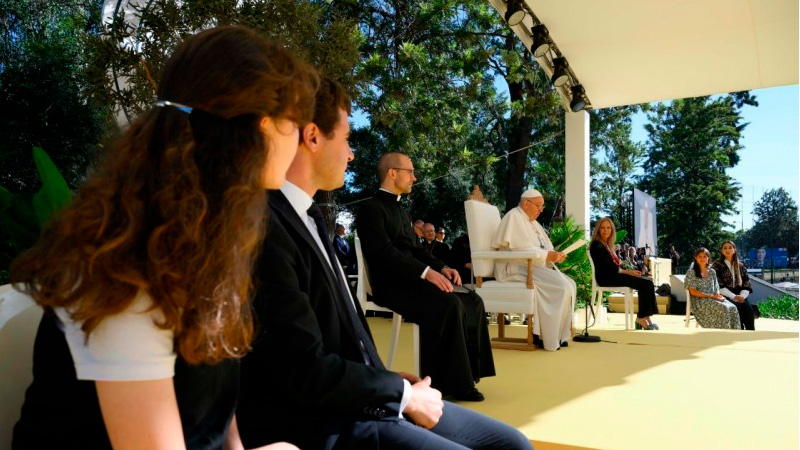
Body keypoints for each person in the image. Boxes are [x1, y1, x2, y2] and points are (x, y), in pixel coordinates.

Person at [9, 25, 315, 449]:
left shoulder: (206, 246)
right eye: (297, 122)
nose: (302, 139)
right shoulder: (125, 271)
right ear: (263, 128)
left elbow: (216, 408)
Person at [237, 84, 532, 450]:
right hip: (334, 412)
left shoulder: (309, 215)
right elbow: (301, 367)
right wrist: (398, 393)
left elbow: (339, 329)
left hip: (368, 390)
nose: (351, 153)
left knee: (515, 443)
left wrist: (386, 377)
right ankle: (450, 379)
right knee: (447, 304)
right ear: (312, 137)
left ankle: (464, 377)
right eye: (346, 139)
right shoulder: (269, 225)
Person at [357, 153, 495, 402]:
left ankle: (467, 376)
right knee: (448, 303)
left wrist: (441, 267)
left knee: (472, 300)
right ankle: (445, 383)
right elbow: (384, 254)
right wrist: (426, 273)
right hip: (390, 284)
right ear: (392, 173)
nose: (414, 177)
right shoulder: (370, 209)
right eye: (409, 172)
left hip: (412, 279)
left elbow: (417, 250)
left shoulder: (402, 210)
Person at [491, 188, 575, 351]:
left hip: (529, 266)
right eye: (539, 206)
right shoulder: (514, 217)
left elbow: (542, 248)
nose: (541, 210)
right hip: (514, 267)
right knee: (561, 287)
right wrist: (547, 255)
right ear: (526, 203)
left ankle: (558, 335)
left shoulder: (533, 223)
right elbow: (519, 250)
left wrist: (554, 256)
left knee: (569, 283)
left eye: (542, 206)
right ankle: (546, 337)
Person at [589, 218, 659, 330]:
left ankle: (646, 316)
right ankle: (641, 318)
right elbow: (609, 267)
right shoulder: (597, 246)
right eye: (602, 228)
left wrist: (630, 272)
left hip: (613, 275)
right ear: (598, 230)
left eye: (608, 228)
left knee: (648, 282)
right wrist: (629, 272)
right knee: (645, 284)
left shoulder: (607, 245)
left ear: (612, 230)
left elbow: (615, 266)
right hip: (606, 278)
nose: (606, 230)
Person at [684, 248, 741, 329]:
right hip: (699, 301)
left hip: (713, 298)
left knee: (733, 307)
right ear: (695, 258)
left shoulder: (712, 272)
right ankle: (722, 333)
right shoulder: (691, 272)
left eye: (704, 256)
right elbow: (693, 292)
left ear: (708, 258)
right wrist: (711, 296)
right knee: (724, 308)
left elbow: (716, 288)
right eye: (699, 256)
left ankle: (733, 333)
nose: (702, 258)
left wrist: (718, 296)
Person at [712, 241, 755, 330]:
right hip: (724, 294)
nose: (728, 250)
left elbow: (746, 283)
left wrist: (742, 296)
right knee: (737, 308)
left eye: (730, 247)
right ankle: (739, 331)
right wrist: (734, 297)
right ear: (721, 251)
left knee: (749, 310)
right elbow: (718, 285)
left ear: (734, 250)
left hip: (740, 294)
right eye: (725, 248)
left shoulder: (740, 266)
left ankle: (751, 333)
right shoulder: (717, 265)